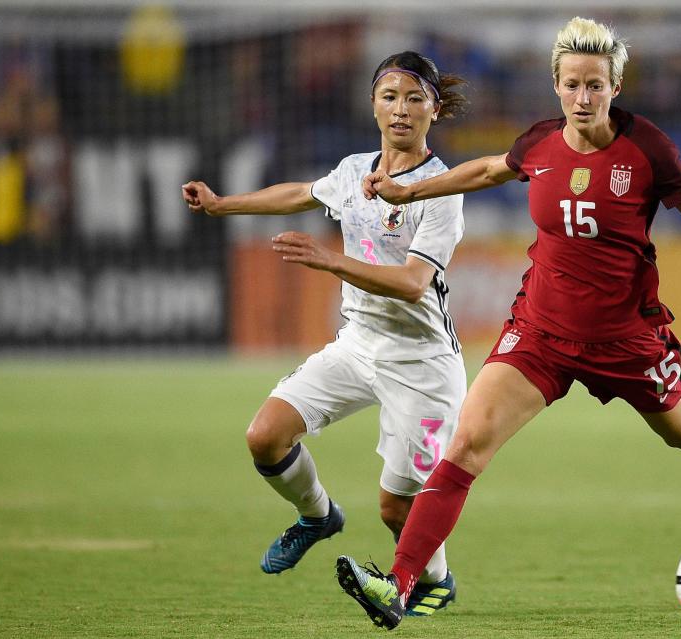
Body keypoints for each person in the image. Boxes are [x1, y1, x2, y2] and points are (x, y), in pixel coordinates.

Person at [335, 18, 681, 630]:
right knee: (467, 445)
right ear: (556, 85)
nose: (584, 98)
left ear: (615, 86)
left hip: (626, 339)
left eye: (596, 86)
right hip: (540, 333)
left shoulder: (647, 150)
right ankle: (396, 585)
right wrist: (407, 193)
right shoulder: (540, 144)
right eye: (573, 85)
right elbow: (486, 171)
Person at [181, 51, 469, 617]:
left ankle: (436, 580)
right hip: (358, 345)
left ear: (434, 109)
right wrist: (222, 206)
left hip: (422, 364)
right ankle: (317, 515)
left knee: (395, 509)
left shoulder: (442, 188)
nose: (401, 110)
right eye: (390, 97)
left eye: (414, 99)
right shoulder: (354, 169)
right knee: (265, 436)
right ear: (373, 105)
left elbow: (413, 284)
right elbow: (303, 193)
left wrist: (329, 260)